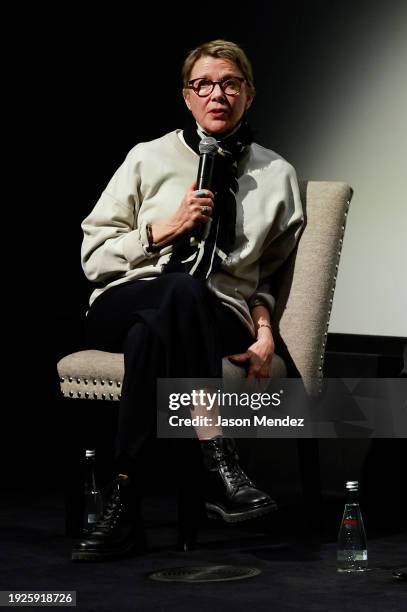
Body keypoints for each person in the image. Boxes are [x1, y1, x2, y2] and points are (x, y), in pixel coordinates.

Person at [72, 39, 304, 562]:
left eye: (230, 83)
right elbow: (93, 258)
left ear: (249, 95)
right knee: (173, 293)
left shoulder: (278, 176)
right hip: (126, 296)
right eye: (204, 85)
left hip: (221, 314)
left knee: (158, 327)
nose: (217, 94)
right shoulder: (147, 157)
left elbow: (270, 275)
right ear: (187, 96)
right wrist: (161, 231)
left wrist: (266, 332)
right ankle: (215, 454)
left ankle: (124, 499)